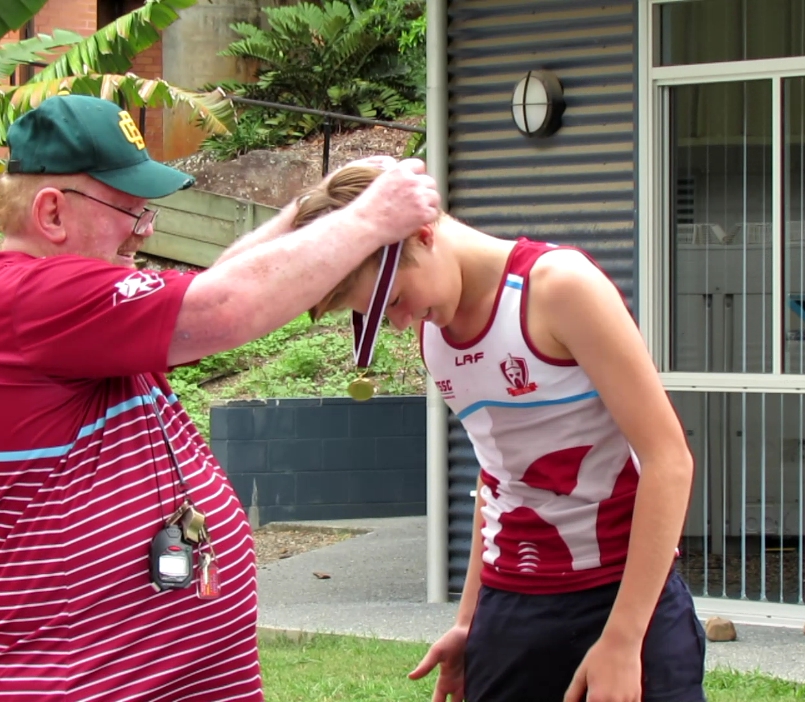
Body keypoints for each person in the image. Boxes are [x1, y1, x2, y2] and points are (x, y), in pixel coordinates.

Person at [0, 94, 441, 701]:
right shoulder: (29, 297)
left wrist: (315, 202)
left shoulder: (76, 313)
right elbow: (222, 309)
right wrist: (371, 220)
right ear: (51, 213)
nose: (145, 230)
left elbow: (211, 290)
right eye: (132, 210)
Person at [291, 166, 706, 702]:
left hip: (621, 603)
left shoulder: (559, 288)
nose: (399, 322)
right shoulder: (435, 336)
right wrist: (469, 622)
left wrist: (625, 640)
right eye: (374, 315)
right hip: (510, 612)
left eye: (393, 301)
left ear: (422, 234)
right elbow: (499, 475)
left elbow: (669, 459)